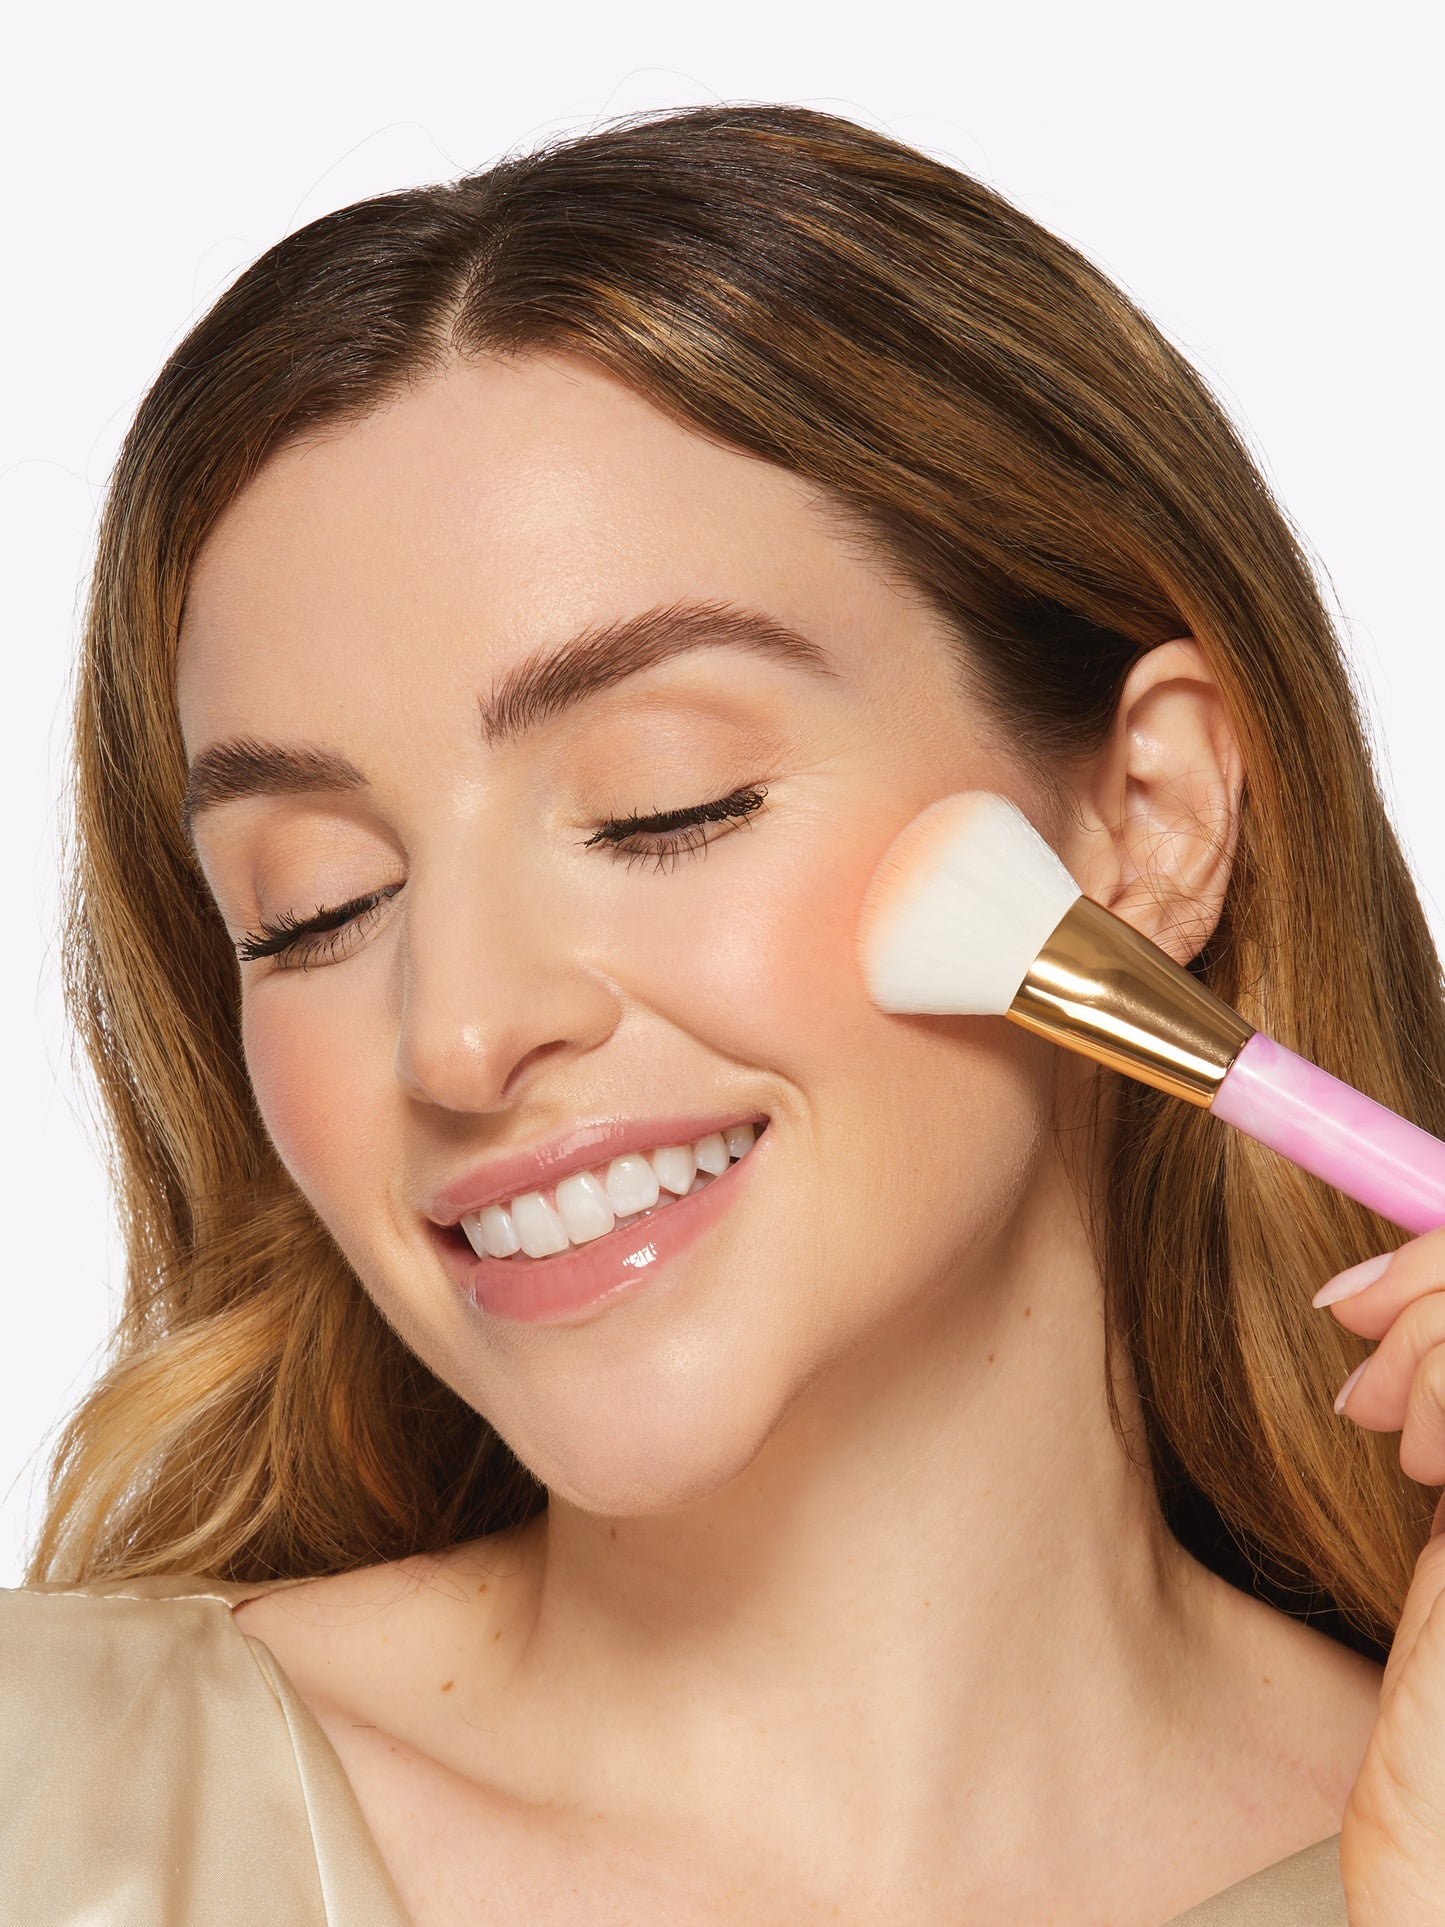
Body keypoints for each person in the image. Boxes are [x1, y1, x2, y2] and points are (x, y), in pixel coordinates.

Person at [5, 101, 1445, 1925]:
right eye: (314, 909)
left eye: (664, 804)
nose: (456, 1037)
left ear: (1145, 819)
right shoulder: (50, 1802)